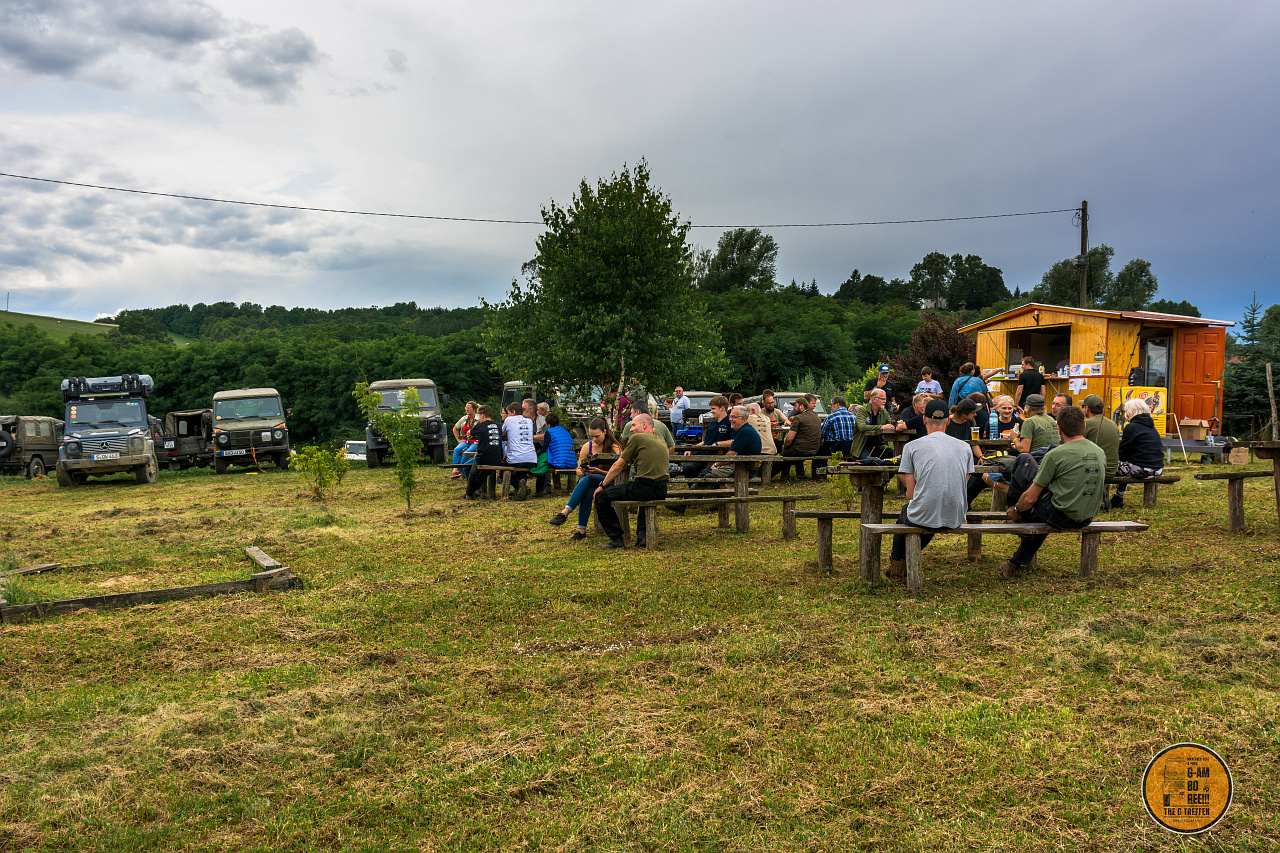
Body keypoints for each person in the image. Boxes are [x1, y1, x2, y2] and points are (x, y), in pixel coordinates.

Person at [998, 406, 1104, 578]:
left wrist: (1017, 509)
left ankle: (1016, 516)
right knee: (1042, 500)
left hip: (1060, 515)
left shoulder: (1055, 455)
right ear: (1084, 427)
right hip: (1087, 515)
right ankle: (1015, 562)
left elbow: (1030, 498)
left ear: (1059, 429)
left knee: (1024, 459)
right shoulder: (1099, 452)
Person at [885, 399, 975, 582]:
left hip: (926, 514)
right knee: (932, 512)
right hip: (957, 515)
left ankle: (897, 566)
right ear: (948, 421)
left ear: (924, 420)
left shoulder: (911, 447)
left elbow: (911, 495)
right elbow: (962, 484)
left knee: (909, 513)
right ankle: (901, 563)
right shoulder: (965, 447)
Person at [593, 414, 670, 549]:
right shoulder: (661, 440)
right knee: (644, 497)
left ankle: (616, 538)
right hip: (662, 490)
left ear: (644, 425)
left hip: (645, 487)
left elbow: (618, 466)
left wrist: (602, 486)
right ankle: (642, 537)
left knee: (601, 496)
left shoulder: (637, 438)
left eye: (633, 425)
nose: (631, 429)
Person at [549, 418, 621, 541]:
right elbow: (578, 471)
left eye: (597, 436)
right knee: (588, 489)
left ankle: (565, 513)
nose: (594, 439)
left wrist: (598, 472)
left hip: (611, 483)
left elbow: (619, 473)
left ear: (604, 431)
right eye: (591, 436)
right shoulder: (588, 446)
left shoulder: (615, 447)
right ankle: (581, 531)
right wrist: (582, 471)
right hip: (592, 482)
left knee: (590, 478)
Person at [1111, 397, 1164, 509]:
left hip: (1142, 469)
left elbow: (1123, 455)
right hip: (1157, 469)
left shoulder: (1131, 428)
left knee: (1110, 467)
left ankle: (1116, 497)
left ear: (1130, 411)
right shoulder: (1151, 427)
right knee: (1126, 466)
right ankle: (1118, 498)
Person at [1081, 394, 1121, 510]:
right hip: (1112, 470)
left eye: (1083, 407)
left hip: (1095, 470)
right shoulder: (1112, 424)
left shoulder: (1086, 424)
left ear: (1087, 408)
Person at [700, 406, 761, 479]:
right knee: (707, 470)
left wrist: (716, 464)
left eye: (733, 417)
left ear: (743, 419)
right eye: (730, 417)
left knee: (706, 473)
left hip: (742, 469)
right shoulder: (745, 429)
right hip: (741, 466)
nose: (730, 419)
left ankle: (694, 487)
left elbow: (731, 454)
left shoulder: (744, 431)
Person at [682, 394, 734, 478]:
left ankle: (698, 485)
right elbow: (706, 442)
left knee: (699, 470)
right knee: (688, 467)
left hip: (718, 456)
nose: (711, 411)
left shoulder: (730, 423)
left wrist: (718, 444)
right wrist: (692, 448)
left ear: (722, 408)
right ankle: (694, 485)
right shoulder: (712, 424)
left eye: (713, 409)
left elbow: (734, 441)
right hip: (703, 453)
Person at [464, 405, 502, 499]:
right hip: (497, 458)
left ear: (482, 415)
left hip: (483, 457)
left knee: (473, 472)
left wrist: (471, 435)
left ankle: (468, 493)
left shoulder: (480, 426)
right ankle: (471, 491)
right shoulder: (498, 426)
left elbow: (469, 432)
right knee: (483, 474)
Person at [501, 401, 537, 501]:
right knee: (522, 469)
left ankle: (518, 485)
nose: (508, 415)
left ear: (513, 412)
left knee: (502, 470)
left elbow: (501, 433)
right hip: (531, 459)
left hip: (515, 458)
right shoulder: (529, 421)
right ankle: (522, 484)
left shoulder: (509, 420)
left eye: (508, 413)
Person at [779, 396, 822, 479]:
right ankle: (800, 473)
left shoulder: (798, 418)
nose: (793, 408)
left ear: (801, 406)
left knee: (785, 453)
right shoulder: (816, 417)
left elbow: (789, 439)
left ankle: (780, 475)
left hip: (801, 450)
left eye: (795, 406)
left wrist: (785, 446)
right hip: (814, 450)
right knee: (795, 448)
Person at [536, 412, 578, 495]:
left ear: (548, 424)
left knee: (541, 464)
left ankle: (539, 490)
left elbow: (544, 449)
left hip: (559, 462)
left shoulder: (549, 432)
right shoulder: (565, 431)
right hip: (571, 463)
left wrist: (536, 456)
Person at [852, 389, 896, 460]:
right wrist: (881, 427)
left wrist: (898, 424)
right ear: (874, 399)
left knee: (898, 456)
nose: (885, 401)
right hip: (863, 446)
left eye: (885, 399)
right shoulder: (862, 410)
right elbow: (862, 427)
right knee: (867, 461)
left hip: (879, 446)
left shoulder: (884, 412)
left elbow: (891, 424)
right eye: (883, 399)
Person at [945, 398, 984, 464]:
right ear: (963, 414)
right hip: (950, 457)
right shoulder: (947, 423)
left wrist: (980, 456)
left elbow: (974, 443)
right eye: (972, 412)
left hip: (967, 455)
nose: (975, 414)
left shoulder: (971, 422)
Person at [450, 400, 478, 479]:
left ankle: (459, 471)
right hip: (466, 441)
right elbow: (455, 429)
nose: (467, 410)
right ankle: (455, 470)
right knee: (457, 450)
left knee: (466, 453)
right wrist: (458, 440)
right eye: (466, 408)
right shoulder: (464, 418)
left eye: (469, 408)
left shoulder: (479, 418)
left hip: (475, 442)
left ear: (474, 409)